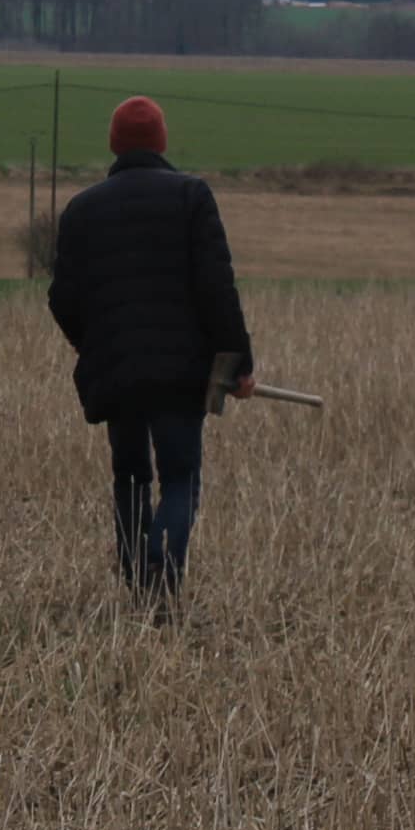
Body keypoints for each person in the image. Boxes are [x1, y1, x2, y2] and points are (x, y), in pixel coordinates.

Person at [48, 94, 254, 614]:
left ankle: (141, 578)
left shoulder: (82, 208)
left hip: (116, 369)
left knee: (131, 474)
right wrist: (238, 366)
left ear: (114, 145)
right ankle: (162, 560)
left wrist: (88, 341)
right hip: (182, 372)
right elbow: (217, 289)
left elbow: (62, 297)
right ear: (161, 143)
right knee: (180, 476)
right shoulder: (191, 196)